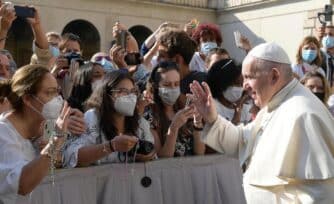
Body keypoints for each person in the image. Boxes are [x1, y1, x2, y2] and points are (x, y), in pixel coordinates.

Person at [190, 42, 334, 203]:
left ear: (274, 76)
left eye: (249, 77)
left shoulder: (304, 115)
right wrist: (212, 118)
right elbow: (240, 141)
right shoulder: (274, 105)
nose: (244, 86)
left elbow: (321, 193)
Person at [0, 65, 71, 203]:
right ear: (27, 99)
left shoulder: (48, 125)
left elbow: (58, 163)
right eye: (49, 93)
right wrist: (55, 142)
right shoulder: (3, 132)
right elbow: (22, 185)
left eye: (57, 92)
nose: (56, 99)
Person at [63, 70, 155, 167]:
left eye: (133, 91)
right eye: (122, 91)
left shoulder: (140, 123)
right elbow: (72, 156)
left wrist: (147, 155)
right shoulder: (93, 117)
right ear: (107, 94)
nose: (130, 96)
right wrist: (111, 146)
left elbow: (152, 151)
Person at [145, 61, 205, 157]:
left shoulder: (185, 106)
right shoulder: (150, 114)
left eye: (176, 84)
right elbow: (162, 157)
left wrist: (198, 123)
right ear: (156, 86)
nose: (173, 89)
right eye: (167, 85)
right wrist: (173, 128)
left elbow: (200, 152)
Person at [207, 59, 252, 125]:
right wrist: (237, 114)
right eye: (236, 84)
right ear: (222, 85)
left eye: (241, 84)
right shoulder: (212, 108)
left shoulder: (246, 108)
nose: (240, 88)